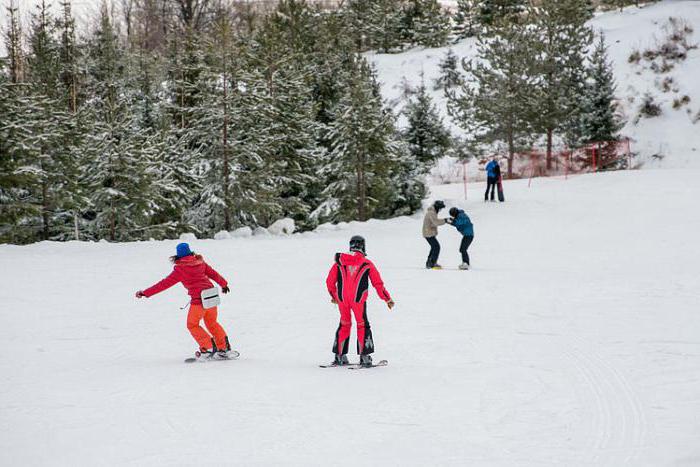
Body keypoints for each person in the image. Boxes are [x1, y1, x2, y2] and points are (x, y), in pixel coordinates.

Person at [135, 242, 232, 359]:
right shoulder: (200, 263)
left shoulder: (180, 269)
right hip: (211, 298)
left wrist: (146, 292)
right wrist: (224, 284)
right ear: (190, 252)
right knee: (212, 323)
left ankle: (208, 347)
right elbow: (213, 274)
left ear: (178, 255)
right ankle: (224, 347)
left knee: (192, 324)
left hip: (199, 301)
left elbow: (163, 284)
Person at [325, 235, 395, 367]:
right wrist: (387, 298)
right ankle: (365, 356)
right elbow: (377, 284)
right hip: (358, 300)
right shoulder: (366, 263)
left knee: (344, 323)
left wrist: (334, 296)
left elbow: (329, 282)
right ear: (363, 246)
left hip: (342, 300)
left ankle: (339, 356)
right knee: (362, 324)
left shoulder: (340, 262)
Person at [422, 200, 448, 269]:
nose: (440, 210)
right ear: (437, 207)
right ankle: (432, 263)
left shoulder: (432, 212)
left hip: (429, 232)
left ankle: (429, 263)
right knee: (436, 247)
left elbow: (433, 223)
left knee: (434, 247)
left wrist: (445, 221)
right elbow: (436, 222)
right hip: (428, 233)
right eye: (440, 208)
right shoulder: (431, 213)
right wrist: (445, 220)